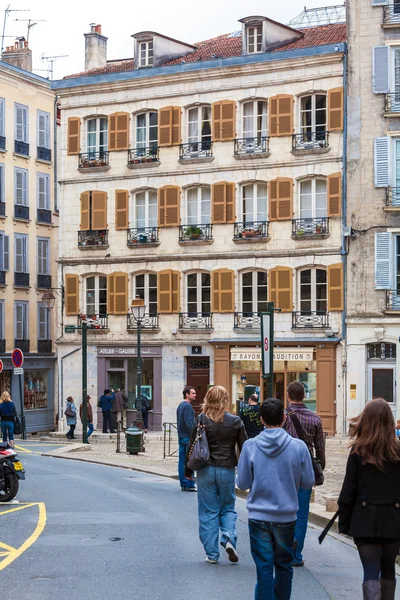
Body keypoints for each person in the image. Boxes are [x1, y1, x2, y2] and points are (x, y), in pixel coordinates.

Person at [237, 398, 314, 599]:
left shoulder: (250, 446)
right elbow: (308, 481)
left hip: (259, 515)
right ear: (284, 418)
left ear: (261, 419)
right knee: (284, 567)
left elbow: (243, 483)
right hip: (286, 515)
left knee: (263, 569)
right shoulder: (298, 447)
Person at [338, 398, 400, 600]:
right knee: (388, 569)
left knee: (370, 571)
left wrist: (345, 523)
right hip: (393, 519)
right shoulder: (398, 452)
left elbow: (348, 492)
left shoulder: (358, 452)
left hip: (365, 520)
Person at [186, 385, 247, 564]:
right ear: (226, 400)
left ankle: (212, 554)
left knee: (208, 511)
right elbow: (245, 447)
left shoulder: (201, 419)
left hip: (205, 469)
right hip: (227, 468)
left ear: (208, 399)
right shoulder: (235, 421)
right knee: (227, 507)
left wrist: (187, 470)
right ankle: (228, 537)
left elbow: (192, 446)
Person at [283, 380, 325, 567]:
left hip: (283, 469)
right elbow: (320, 449)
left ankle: (283, 550)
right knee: (301, 514)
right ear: (304, 396)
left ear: (288, 395)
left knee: (283, 511)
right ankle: (296, 555)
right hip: (305, 468)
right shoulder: (315, 419)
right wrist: (319, 469)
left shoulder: (282, 417)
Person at [177, 385, 197, 492]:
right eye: (193, 393)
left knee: (182, 461)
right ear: (187, 394)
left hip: (181, 436)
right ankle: (189, 484)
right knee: (190, 461)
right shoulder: (188, 406)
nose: (195, 395)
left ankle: (183, 483)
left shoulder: (180, 405)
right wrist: (194, 435)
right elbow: (189, 423)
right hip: (187, 437)